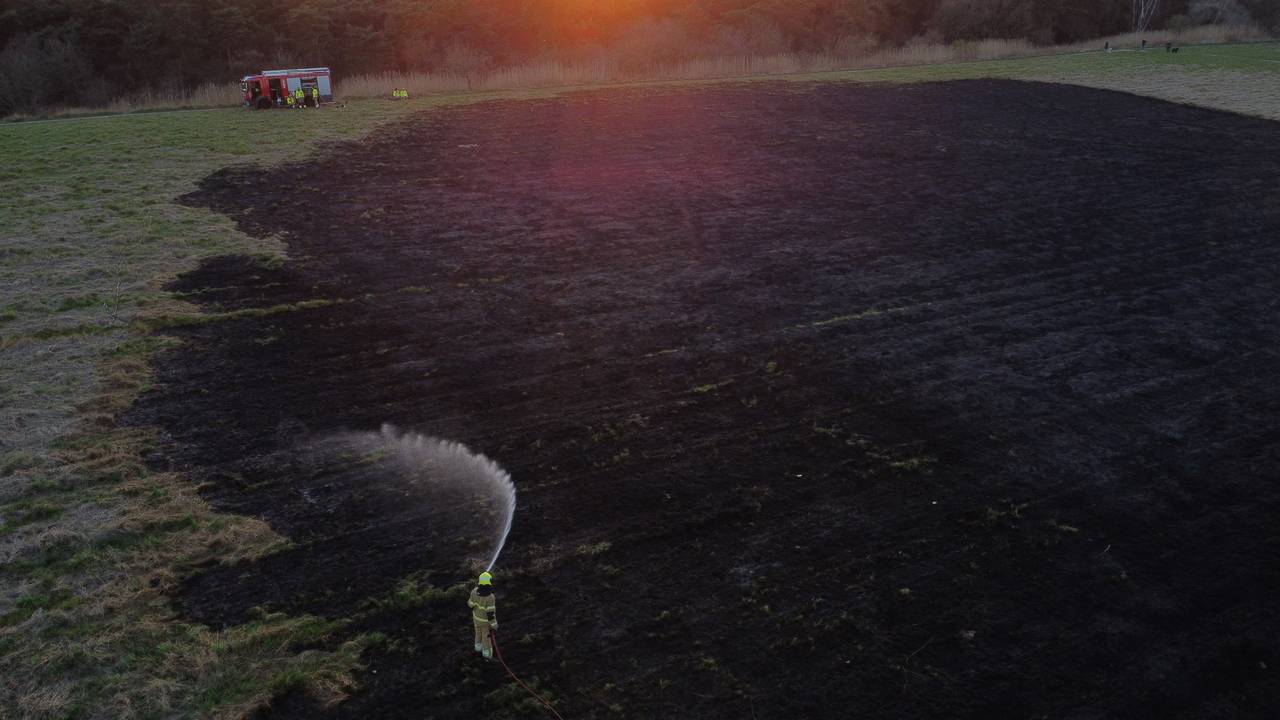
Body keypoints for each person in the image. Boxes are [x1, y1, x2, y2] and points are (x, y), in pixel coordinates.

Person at [468, 571, 498, 660]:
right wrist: (494, 625)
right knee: (486, 638)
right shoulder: (490, 597)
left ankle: (477, 649)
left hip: (476, 619)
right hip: (485, 623)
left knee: (478, 633)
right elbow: (490, 614)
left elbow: (470, 604)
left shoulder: (473, 592)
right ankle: (487, 655)